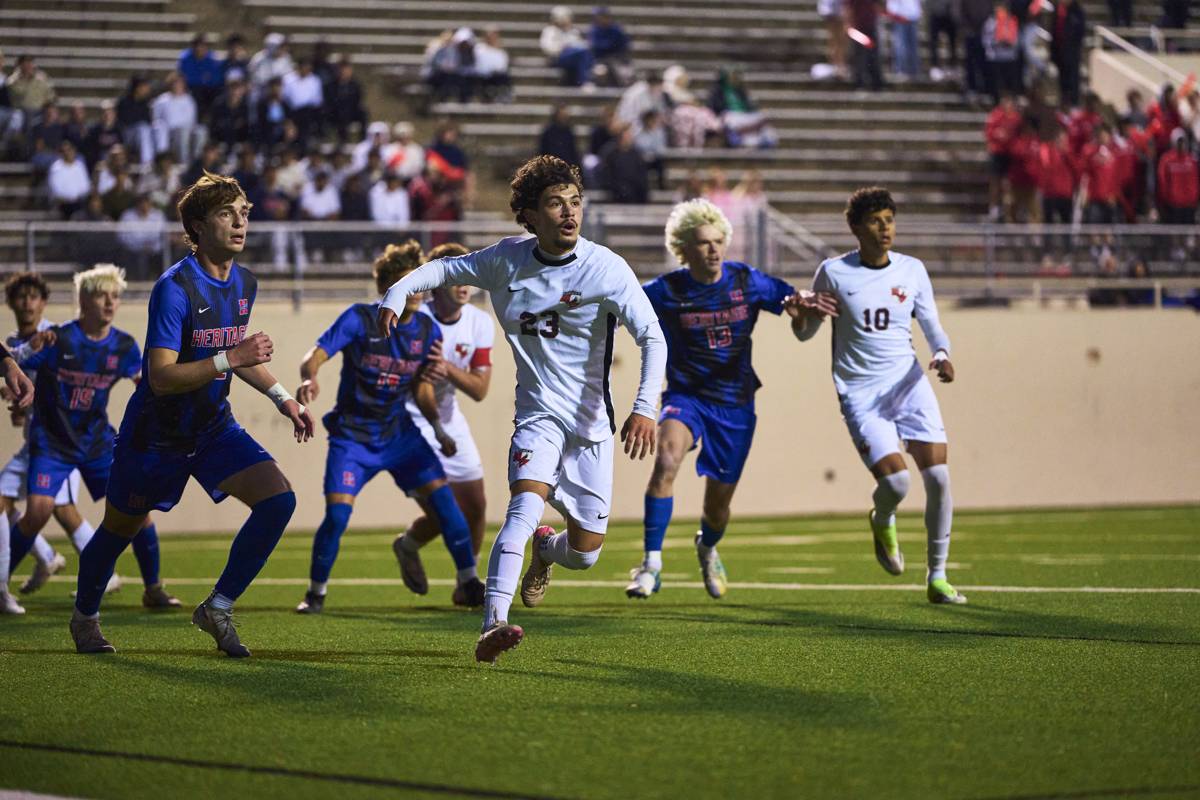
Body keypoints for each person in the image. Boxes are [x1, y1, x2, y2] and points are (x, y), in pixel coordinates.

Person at [377, 155, 666, 664]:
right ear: (530, 216)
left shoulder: (606, 268)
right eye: (555, 203)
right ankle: (493, 622)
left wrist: (645, 407)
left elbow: (653, 338)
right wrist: (398, 292)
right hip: (538, 417)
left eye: (575, 202)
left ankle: (546, 551)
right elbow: (445, 267)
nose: (569, 213)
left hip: (592, 426)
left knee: (585, 554)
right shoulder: (505, 260)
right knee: (523, 506)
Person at [67, 172, 314, 655]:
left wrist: (283, 397)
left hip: (213, 429)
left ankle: (217, 606)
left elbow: (236, 356)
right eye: (227, 213)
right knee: (119, 529)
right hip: (155, 437)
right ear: (198, 226)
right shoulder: (174, 287)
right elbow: (161, 376)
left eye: (244, 212)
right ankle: (85, 617)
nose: (240, 222)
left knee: (278, 500)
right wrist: (231, 357)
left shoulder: (245, 282)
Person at [789, 186, 966, 606]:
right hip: (861, 393)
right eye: (875, 221)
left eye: (889, 220)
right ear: (855, 228)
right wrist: (802, 315)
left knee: (939, 477)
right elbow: (805, 333)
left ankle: (938, 577)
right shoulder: (834, 272)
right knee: (896, 481)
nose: (885, 228)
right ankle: (882, 517)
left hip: (909, 384)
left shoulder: (912, 269)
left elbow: (931, 323)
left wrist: (942, 353)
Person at [293, 241, 480, 614]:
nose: (414, 290)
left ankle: (470, 582)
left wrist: (439, 430)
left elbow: (421, 389)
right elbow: (315, 356)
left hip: (400, 436)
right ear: (386, 288)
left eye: (418, 282)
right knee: (338, 515)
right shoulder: (360, 318)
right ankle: (315, 594)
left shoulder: (427, 330)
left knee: (446, 505)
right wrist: (309, 378)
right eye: (404, 283)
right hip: (353, 438)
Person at [627, 199, 795, 601]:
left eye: (719, 241)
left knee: (717, 509)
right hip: (686, 397)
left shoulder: (745, 280)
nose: (714, 249)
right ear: (684, 249)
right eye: (704, 242)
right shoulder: (666, 290)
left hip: (735, 405)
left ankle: (707, 546)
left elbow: (790, 299)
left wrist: (805, 305)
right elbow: (620, 307)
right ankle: (651, 566)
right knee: (666, 460)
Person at [6, 266, 181, 616]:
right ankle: (0, 585)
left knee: (138, 510)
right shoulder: (58, 339)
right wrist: (19, 379)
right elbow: (15, 363)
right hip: (52, 443)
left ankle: (153, 589)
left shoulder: (124, 346)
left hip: (98, 443)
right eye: (102, 295)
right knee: (37, 512)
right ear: (84, 301)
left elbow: (148, 385)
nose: (110, 303)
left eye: (115, 296)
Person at [0, 274, 104, 613]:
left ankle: (96, 571)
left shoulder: (53, 336)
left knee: (59, 512)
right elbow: (22, 385)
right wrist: (17, 401)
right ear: (11, 303)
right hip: (36, 442)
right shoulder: (13, 344)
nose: (27, 303)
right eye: (21, 297)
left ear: (43, 302)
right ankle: (47, 559)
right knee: (43, 510)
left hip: (59, 444)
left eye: (34, 296)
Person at [397, 242, 493, 604]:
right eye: (455, 277)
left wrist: (447, 368)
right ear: (436, 283)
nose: (464, 284)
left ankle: (466, 582)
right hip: (408, 420)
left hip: (450, 417)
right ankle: (409, 546)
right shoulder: (415, 318)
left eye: (468, 276)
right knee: (444, 510)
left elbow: (480, 390)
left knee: (476, 506)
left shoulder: (480, 322)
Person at [541, 6, 595, 88]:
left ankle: (586, 79)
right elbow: (547, 48)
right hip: (557, 59)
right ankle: (585, 81)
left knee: (583, 53)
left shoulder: (573, 31)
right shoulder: (550, 31)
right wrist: (563, 47)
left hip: (573, 57)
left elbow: (579, 45)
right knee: (582, 54)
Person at [1051, 0, 1086, 108]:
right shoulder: (1058, 10)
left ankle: (1074, 103)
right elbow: (1054, 30)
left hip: (1072, 52)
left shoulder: (1077, 12)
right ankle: (1064, 101)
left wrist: (1071, 45)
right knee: (1062, 78)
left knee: (1073, 78)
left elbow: (1080, 32)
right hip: (1059, 50)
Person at [46, 140, 91, 219]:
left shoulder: (80, 166)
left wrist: (77, 197)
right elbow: (55, 189)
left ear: (74, 151)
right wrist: (68, 199)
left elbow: (85, 186)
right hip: (62, 203)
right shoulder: (56, 167)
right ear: (61, 153)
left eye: (69, 150)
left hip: (78, 202)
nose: (67, 153)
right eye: (64, 151)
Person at [589, 6, 633, 87]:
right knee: (599, 72)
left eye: (601, 16)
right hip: (600, 60)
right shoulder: (595, 30)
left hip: (617, 59)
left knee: (624, 73)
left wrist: (608, 47)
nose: (599, 19)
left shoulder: (616, 29)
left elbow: (624, 45)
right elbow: (595, 46)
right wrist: (608, 46)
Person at [538, 103, 580, 167]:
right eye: (561, 115)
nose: (563, 117)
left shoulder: (569, 132)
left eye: (565, 115)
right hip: (552, 165)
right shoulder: (548, 132)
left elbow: (573, 152)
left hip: (567, 164)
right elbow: (543, 151)